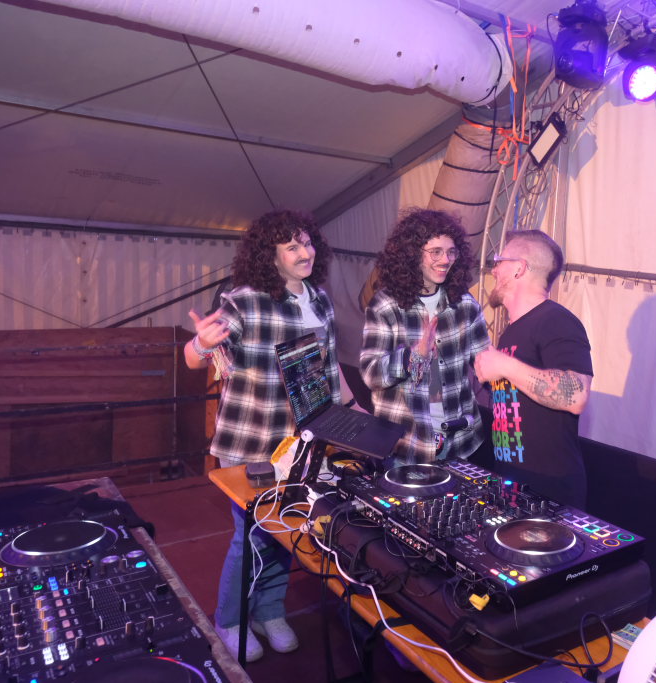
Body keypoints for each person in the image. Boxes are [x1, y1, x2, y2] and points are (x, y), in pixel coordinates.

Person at [184, 209, 341, 661]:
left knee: (288, 532)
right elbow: (194, 357)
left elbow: (327, 371)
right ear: (269, 256)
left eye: (307, 243)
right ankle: (230, 620)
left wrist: (347, 418)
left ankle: (269, 611)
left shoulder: (320, 300)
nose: (305, 252)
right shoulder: (244, 302)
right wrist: (200, 344)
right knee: (251, 537)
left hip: (302, 444)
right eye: (292, 247)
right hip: (250, 443)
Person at [473, 230, 593, 508]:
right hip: (514, 484)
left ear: (519, 268)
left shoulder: (555, 320)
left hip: (548, 493)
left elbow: (575, 396)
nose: (494, 270)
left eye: (499, 261)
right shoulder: (514, 330)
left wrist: (504, 365)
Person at [360, 208, 490, 463]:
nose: (445, 260)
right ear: (412, 254)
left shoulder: (465, 304)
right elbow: (371, 374)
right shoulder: (386, 306)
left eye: (451, 252)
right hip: (406, 444)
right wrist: (413, 356)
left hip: (461, 442)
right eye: (436, 252)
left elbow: (486, 364)